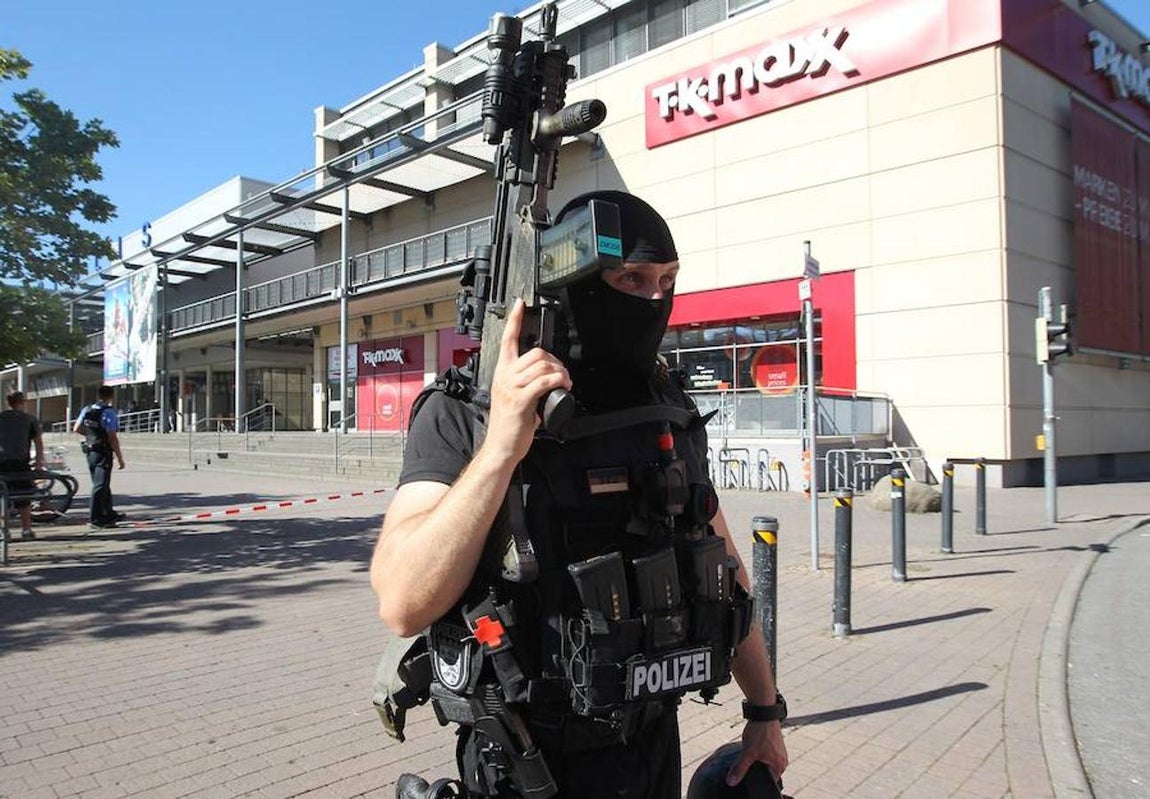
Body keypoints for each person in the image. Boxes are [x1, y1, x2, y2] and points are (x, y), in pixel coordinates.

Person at [371, 191, 788, 798]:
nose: (654, 299)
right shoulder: (467, 412)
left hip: (650, 749)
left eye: (667, 280)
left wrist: (763, 714)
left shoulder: (664, 410)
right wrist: (502, 447)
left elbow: (726, 568)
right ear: (573, 283)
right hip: (526, 763)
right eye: (631, 278)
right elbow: (403, 601)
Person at [73, 385, 126, 530]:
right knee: (100, 484)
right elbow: (112, 436)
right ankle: (96, 518)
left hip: (90, 450)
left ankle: (108, 512)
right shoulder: (109, 412)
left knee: (102, 482)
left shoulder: (87, 409)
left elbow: (76, 428)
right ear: (111, 396)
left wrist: (91, 436)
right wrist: (120, 457)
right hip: (103, 451)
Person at [0, 390, 45, 540]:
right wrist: (39, 464)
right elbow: (38, 443)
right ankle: (26, 530)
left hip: (2, 462)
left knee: (2, 497)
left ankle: (3, 532)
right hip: (20, 462)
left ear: (9, 402)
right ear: (23, 402)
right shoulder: (30, 419)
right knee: (24, 498)